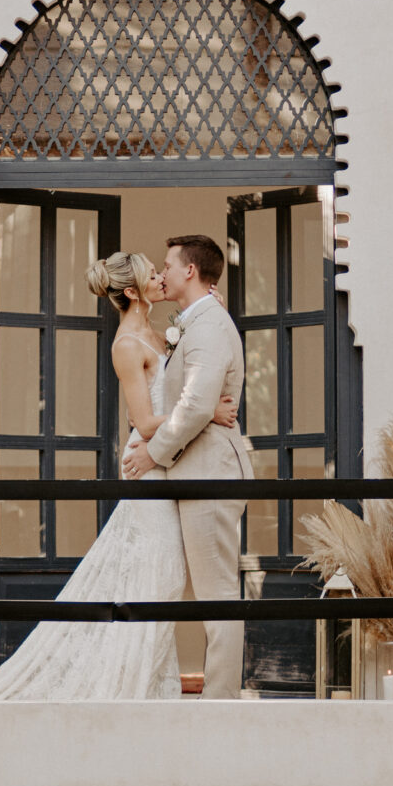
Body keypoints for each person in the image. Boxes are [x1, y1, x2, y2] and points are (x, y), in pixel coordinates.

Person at [0, 251, 236, 701]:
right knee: (155, 579)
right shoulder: (126, 345)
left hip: (170, 461)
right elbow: (143, 423)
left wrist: (209, 314)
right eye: (152, 275)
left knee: (162, 580)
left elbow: (188, 377)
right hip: (149, 466)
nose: (162, 277)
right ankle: (124, 690)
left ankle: (150, 690)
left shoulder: (164, 332)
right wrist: (204, 413)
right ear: (131, 291)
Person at [123, 235, 254, 700]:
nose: (163, 271)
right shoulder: (196, 322)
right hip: (193, 472)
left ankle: (219, 705)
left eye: (168, 264)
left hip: (209, 472)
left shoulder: (210, 326)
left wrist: (152, 453)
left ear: (190, 271)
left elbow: (197, 404)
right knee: (204, 591)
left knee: (217, 595)